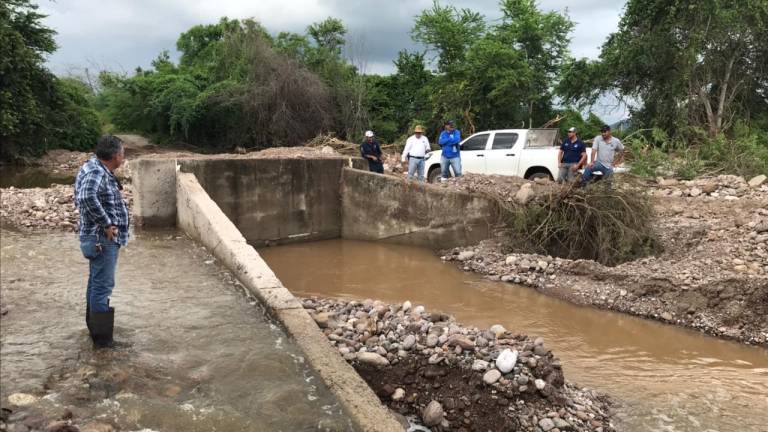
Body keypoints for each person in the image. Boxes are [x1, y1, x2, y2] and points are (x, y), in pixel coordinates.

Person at [74, 135, 129, 348]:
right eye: (122, 155)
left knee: (96, 284)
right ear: (116, 156)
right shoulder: (97, 171)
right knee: (102, 287)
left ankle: (95, 333)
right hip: (101, 239)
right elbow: (87, 197)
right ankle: (103, 342)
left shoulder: (92, 167)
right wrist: (107, 224)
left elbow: (84, 197)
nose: (123, 159)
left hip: (96, 238)